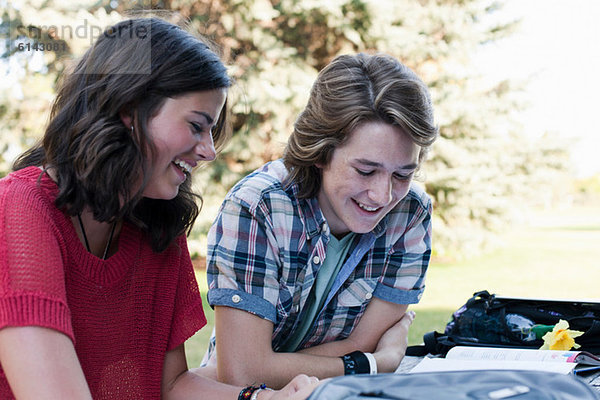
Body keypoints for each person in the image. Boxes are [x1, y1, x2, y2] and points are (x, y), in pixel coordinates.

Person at [0, 17, 318, 400]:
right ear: (130, 109)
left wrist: (266, 398)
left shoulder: (156, 224)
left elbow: (170, 384)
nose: (209, 151)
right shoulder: (18, 211)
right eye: (197, 126)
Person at [202, 52, 439, 388]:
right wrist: (374, 364)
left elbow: (359, 344)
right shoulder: (258, 208)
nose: (383, 195)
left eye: (403, 174)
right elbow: (243, 375)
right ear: (321, 151)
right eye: (366, 170)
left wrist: (272, 363)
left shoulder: (411, 214)